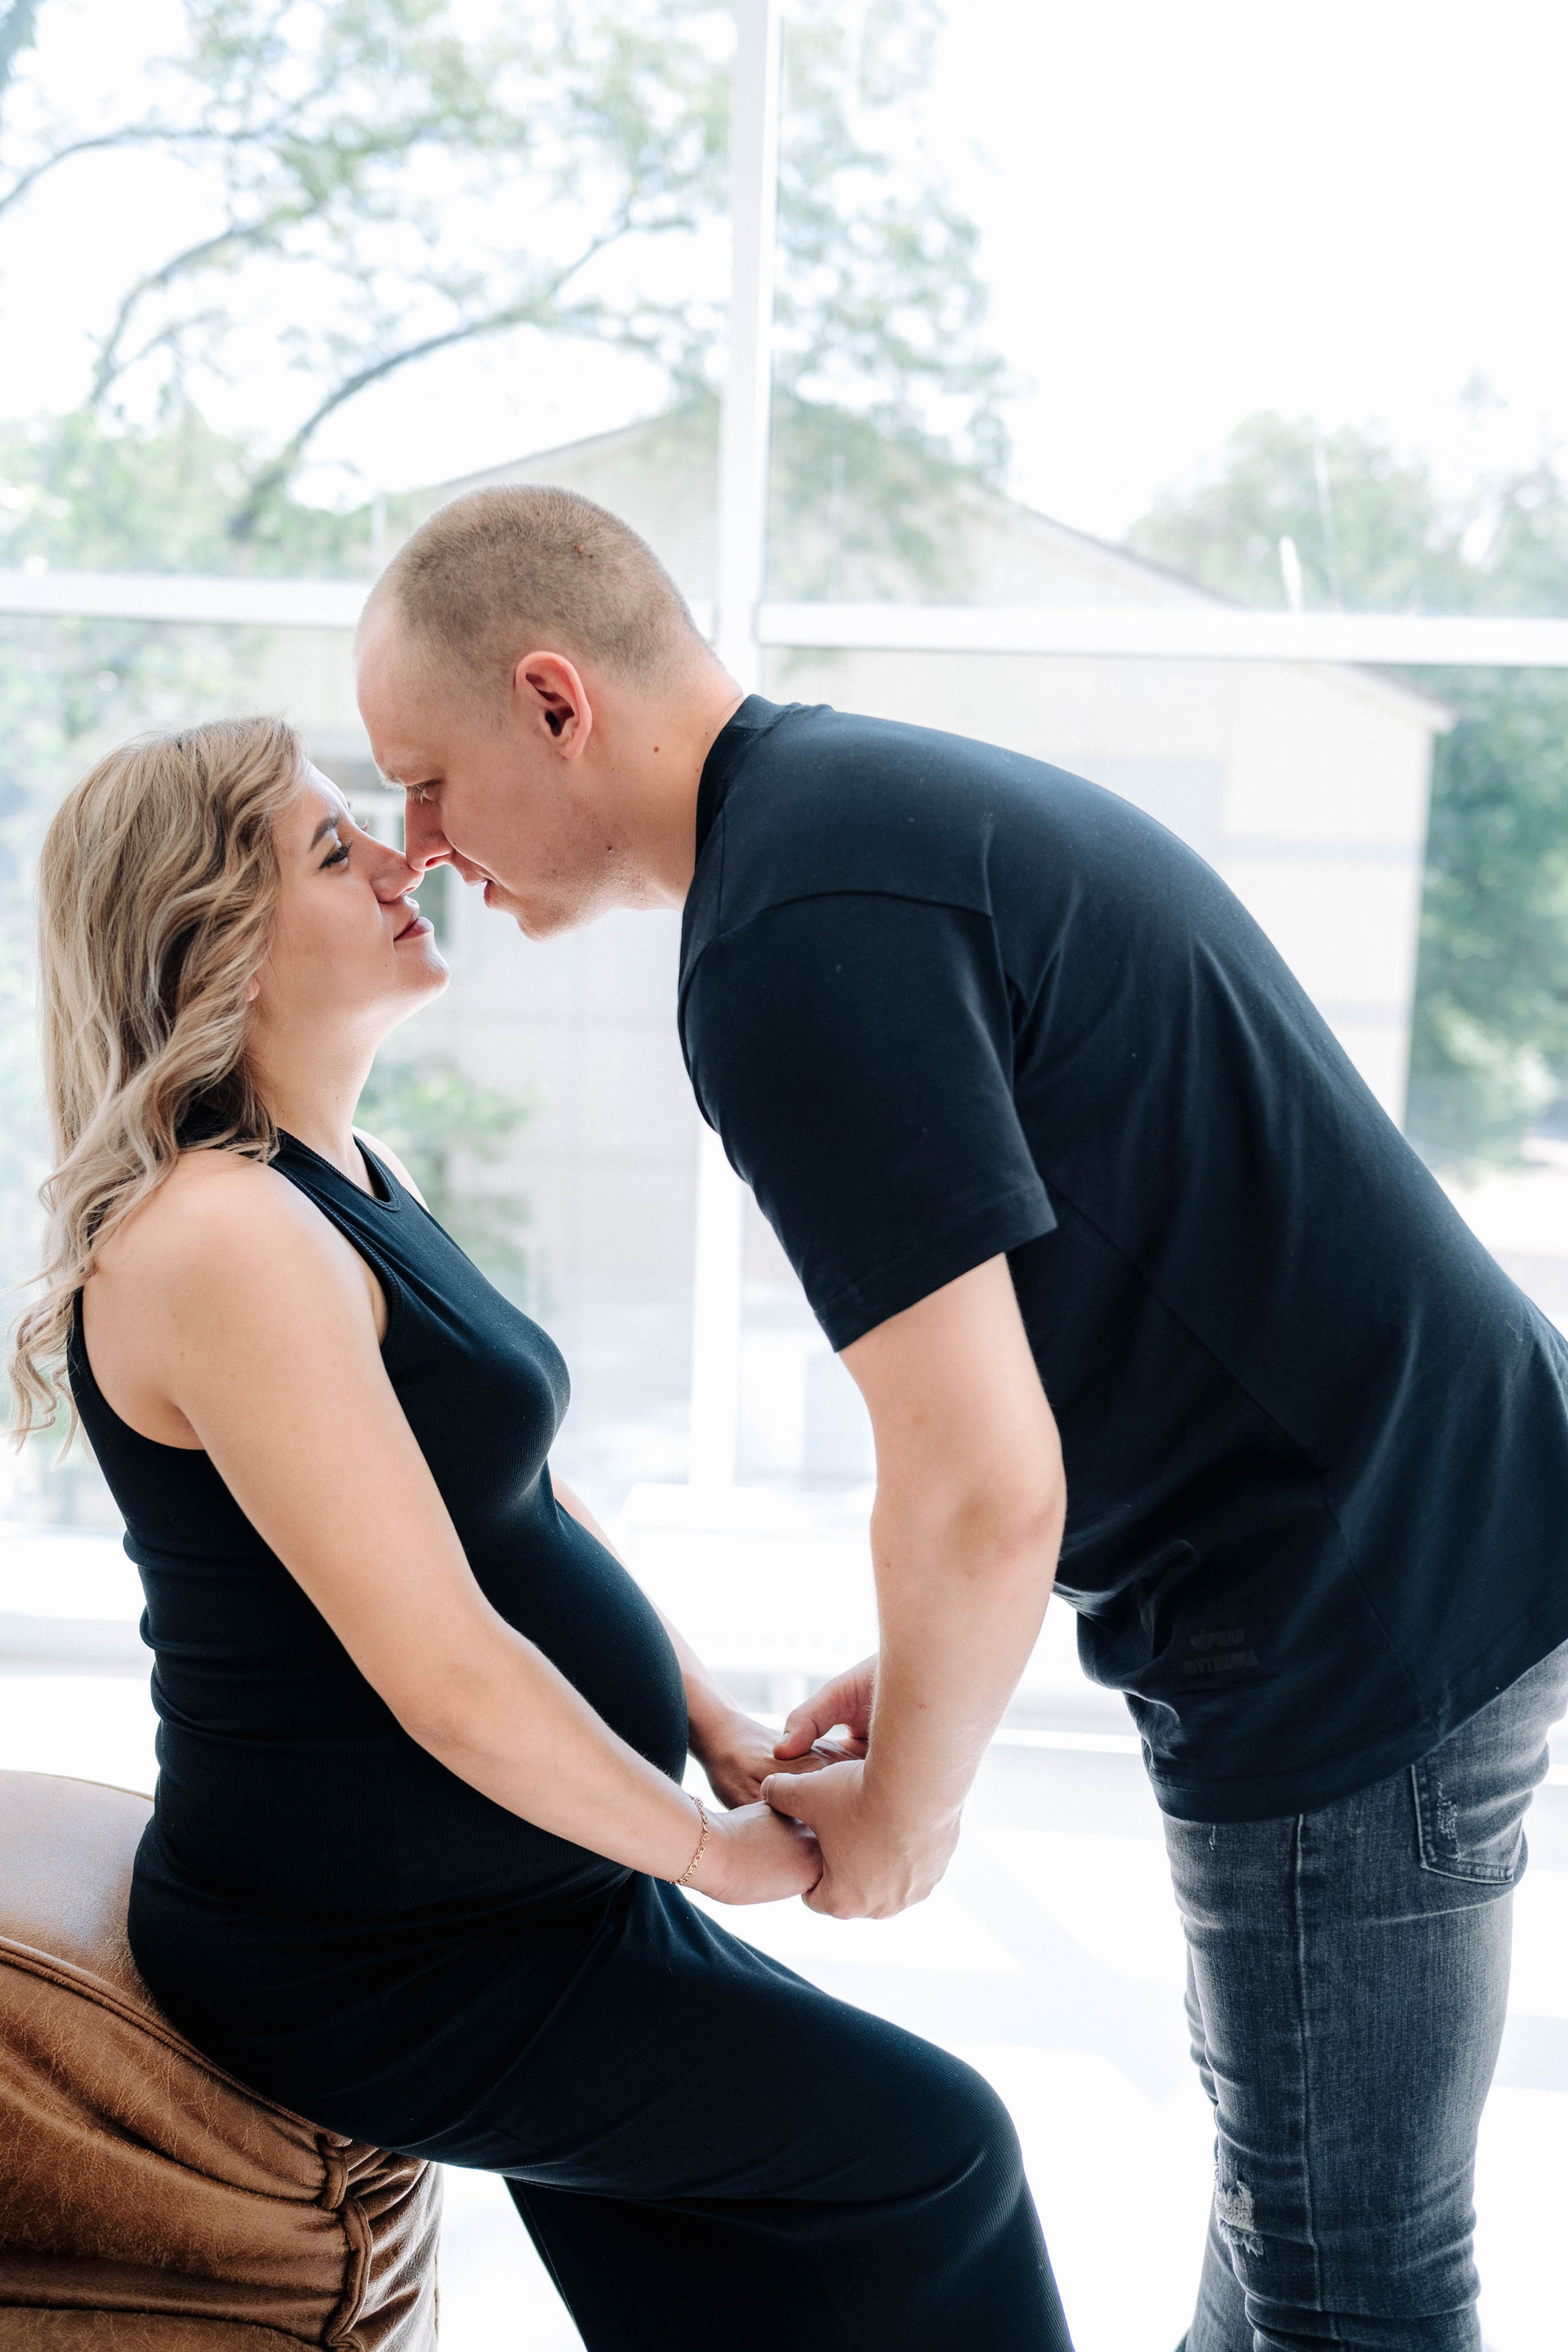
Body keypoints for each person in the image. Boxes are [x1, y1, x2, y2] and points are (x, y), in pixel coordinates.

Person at [355, 482, 1568, 2352]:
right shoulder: (847, 821)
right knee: (1293, 2245)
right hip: (1397, 1530)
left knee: (1348, 2286)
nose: (419, 848)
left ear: (554, 700)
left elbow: (982, 1486)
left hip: (1361, 1593)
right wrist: (926, 1664)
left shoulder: (786, 939)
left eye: (426, 782)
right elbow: (1094, 1340)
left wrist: (906, 1819)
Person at [8, 717, 1071, 2352]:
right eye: (333, 849)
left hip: (519, 1891)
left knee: (722, 2271)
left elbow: (527, 1498)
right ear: (215, 937)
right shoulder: (219, 1236)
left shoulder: (342, 1175)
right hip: (377, 1959)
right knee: (936, 2154)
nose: (403, 860)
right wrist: (702, 1849)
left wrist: (713, 1722)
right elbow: (444, 1668)